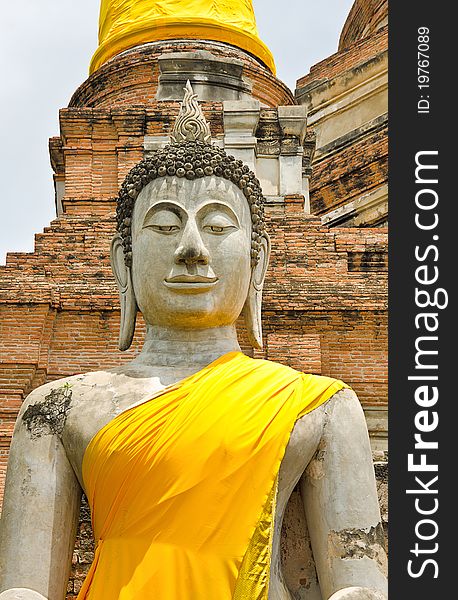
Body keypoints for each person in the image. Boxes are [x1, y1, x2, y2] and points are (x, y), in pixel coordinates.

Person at [0, 87, 387, 600]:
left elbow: (359, 584)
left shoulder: (319, 407)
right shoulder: (57, 409)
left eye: (217, 226)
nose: (191, 249)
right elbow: (26, 591)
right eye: (163, 225)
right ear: (124, 262)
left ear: (258, 263)